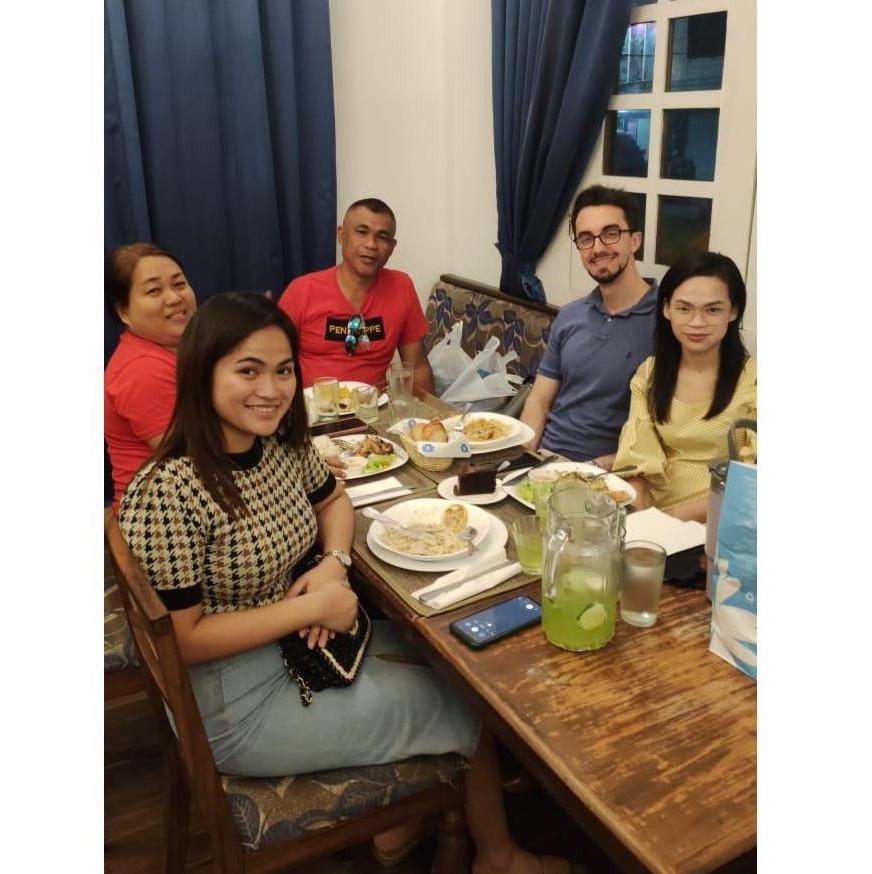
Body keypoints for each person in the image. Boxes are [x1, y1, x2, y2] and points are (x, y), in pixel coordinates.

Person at [119, 292, 565, 874]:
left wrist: (333, 563)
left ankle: (403, 822)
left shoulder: (276, 444)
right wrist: (312, 609)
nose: (271, 389)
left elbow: (334, 500)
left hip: (298, 646)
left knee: (460, 665)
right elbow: (184, 638)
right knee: (469, 708)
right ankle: (497, 857)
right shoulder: (169, 487)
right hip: (234, 703)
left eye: (283, 370)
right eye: (248, 370)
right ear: (202, 373)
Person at [613, 251, 756, 522]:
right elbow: (638, 458)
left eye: (713, 309)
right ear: (667, 309)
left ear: (733, 311)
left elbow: (752, 483)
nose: (697, 322)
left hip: (721, 522)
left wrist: (670, 518)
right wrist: (637, 516)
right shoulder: (650, 373)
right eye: (684, 308)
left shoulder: (754, 381)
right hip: (655, 515)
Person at [520, 186, 657, 466]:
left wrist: (592, 469)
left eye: (610, 233)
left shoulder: (668, 321)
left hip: (609, 472)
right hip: (545, 461)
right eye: (586, 238)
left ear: (634, 240)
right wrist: (521, 458)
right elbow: (540, 399)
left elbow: (667, 434)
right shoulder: (570, 315)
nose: (597, 248)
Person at [277, 198, 435, 393]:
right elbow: (273, 364)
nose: (371, 244)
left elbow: (417, 367)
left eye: (382, 237)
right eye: (362, 232)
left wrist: (431, 412)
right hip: (312, 407)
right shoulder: (302, 291)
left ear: (392, 247)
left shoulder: (401, 287)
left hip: (372, 407)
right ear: (341, 236)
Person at [104, 243, 196, 511]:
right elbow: (195, 454)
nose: (174, 298)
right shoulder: (141, 370)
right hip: (159, 514)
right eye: (154, 290)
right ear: (124, 312)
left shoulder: (180, 349)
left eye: (179, 284)